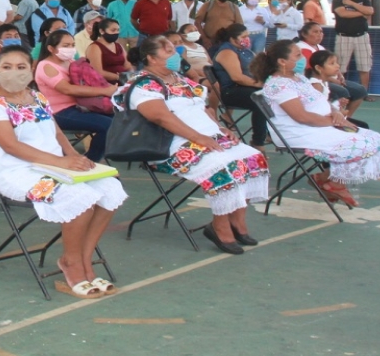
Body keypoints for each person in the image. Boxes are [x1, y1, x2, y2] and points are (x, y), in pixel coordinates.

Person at [0, 45, 126, 298]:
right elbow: (11, 146)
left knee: (111, 189)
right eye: (6, 67)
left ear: (31, 69)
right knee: (79, 198)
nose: (14, 73)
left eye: (21, 67)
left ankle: (84, 259)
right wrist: (61, 163)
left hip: (54, 166)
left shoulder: (37, 97)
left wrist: (73, 155)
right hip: (17, 173)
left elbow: (55, 131)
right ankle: (71, 262)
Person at [114, 36, 269, 255]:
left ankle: (237, 221)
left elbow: (204, 110)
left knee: (253, 158)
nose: (175, 54)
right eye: (167, 50)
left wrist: (221, 129)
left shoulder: (180, 79)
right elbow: (161, 118)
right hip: (172, 145)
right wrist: (199, 138)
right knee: (224, 165)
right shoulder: (143, 84)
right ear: (151, 58)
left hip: (206, 136)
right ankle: (219, 226)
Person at [259, 44, 380, 207]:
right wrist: (333, 121)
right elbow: (302, 117)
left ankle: (325, 179)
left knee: (373, 138)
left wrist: (335, 111)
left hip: (320, 124)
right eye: (298, 55)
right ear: (282, 61)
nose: (302, 59)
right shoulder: (278, 85)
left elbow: (319, 100)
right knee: (358, 143)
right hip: (300, 132)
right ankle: (332, 182)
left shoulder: (298, 78)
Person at [34, 31, 117, 161]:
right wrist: (104, 92)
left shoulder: (71, 61)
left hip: (80, 107)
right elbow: (67, 89)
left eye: (73, 45)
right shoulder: (46, 66)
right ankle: (91, 161)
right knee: (108, 125)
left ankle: (91, 159)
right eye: (66, 45)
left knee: (116, 118)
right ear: (51, 48)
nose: (71, 49)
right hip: (59, 112)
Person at [209, 24, 268, 147]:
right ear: (233, 38)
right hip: (231, 91)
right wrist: (260, 85)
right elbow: (237, 77)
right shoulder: (227, 51)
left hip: (246, 87)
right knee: (261, 100)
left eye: (248, 36)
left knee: (275, 96)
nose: (248, 39)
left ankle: (271, 134)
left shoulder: (244, 50)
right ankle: (258, 142)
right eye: (244, 36)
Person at [295, 22, 366, 119]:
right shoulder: (302, 48)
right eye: (315, 32)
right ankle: (334, 117)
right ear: (304, 34)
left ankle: (347, 117)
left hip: (331, 79)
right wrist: (334, 81)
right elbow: (312, 71)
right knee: (342, 92)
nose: (319, 34)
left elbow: (331, 61)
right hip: (318, 80)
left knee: (360, 90)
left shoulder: (320, 47)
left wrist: (339, 75)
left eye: (321, 32)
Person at [332, 0, 376, 90]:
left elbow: (370, 11)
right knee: (340, 66)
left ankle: (363, 92)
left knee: (364, 66)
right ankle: (340, 91)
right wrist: (362, 12)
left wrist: (351, 4)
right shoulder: (338, 1)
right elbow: (343, 14)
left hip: (362, 36)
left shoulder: (365, 0)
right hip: (343, 36)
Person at [84, 19, 129, 83]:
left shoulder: (119, 46)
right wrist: (118, 77)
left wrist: (131, 74)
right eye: (113, 30)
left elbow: (127, 65)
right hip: (105, 84)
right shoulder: (94, 47)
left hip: (123, 81)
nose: (116, 32)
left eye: (118, 30)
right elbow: (98, 72)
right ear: (102, 31)